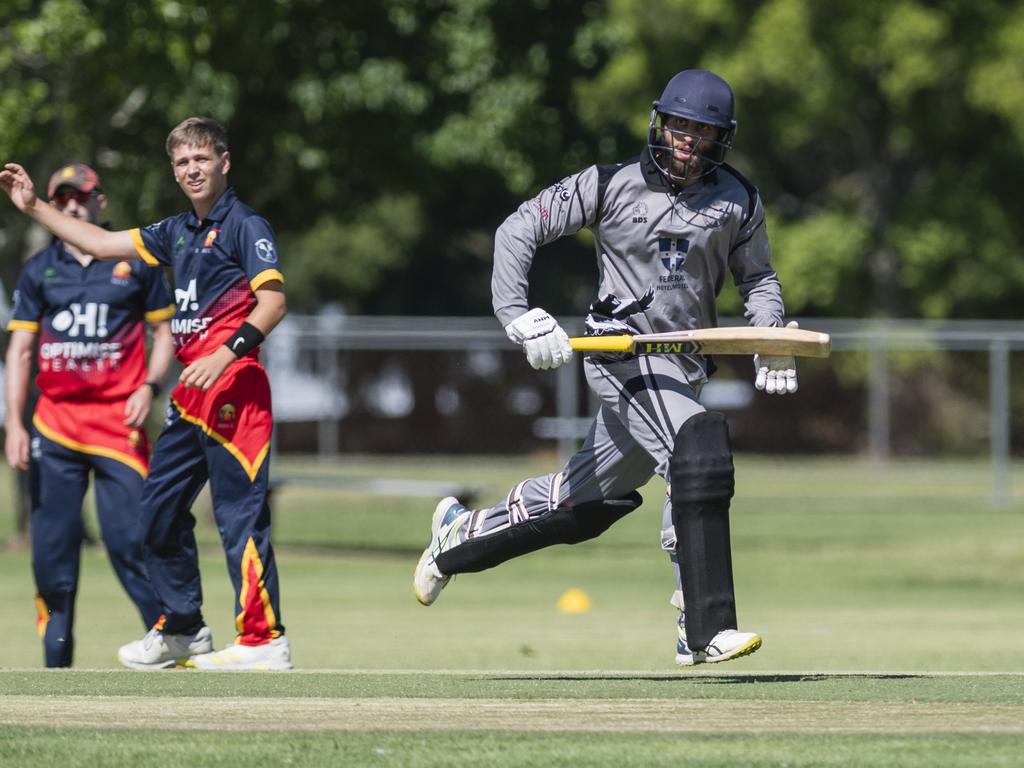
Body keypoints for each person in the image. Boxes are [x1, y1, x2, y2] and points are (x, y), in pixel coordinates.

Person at [414, 69, 799, 666]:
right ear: (659, 123)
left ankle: (458, 538)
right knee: (695, 446)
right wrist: (517, 314)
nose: (687, 141)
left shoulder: (738, 198)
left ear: (721, 137)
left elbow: (760, 279)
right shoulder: (607, 184)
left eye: (702, 131)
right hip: (621, 356)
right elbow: (518, 228)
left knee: (578, 506)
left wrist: (770, 336)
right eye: (678, 126)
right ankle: (702, 621)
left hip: (684, 367)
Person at [1, 117, 291, 671]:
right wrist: (36, 207)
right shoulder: (175, 231)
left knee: (237, 516)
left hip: (236, 387)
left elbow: (273, 303)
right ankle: (182, 628)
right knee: (153, 516)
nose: (192, 170)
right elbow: (103, 241)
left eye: (201, 159)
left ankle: (263, 639)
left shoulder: (244, 225)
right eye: (182, 162)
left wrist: (226, 352)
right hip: (190, 397)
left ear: (223, 163)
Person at [3, 163, 175, 667]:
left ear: (101, 201)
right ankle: (57, 666)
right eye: (62, 198)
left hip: (117, 427)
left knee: (130, 542)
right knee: (52, 557)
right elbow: (19, 352)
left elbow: (164, 335)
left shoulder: (136, 262)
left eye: (82, 196)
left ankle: (171, 644)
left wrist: (149, 386)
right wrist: (14, 423)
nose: (72, 204)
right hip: (54, 425)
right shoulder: (38, 269)